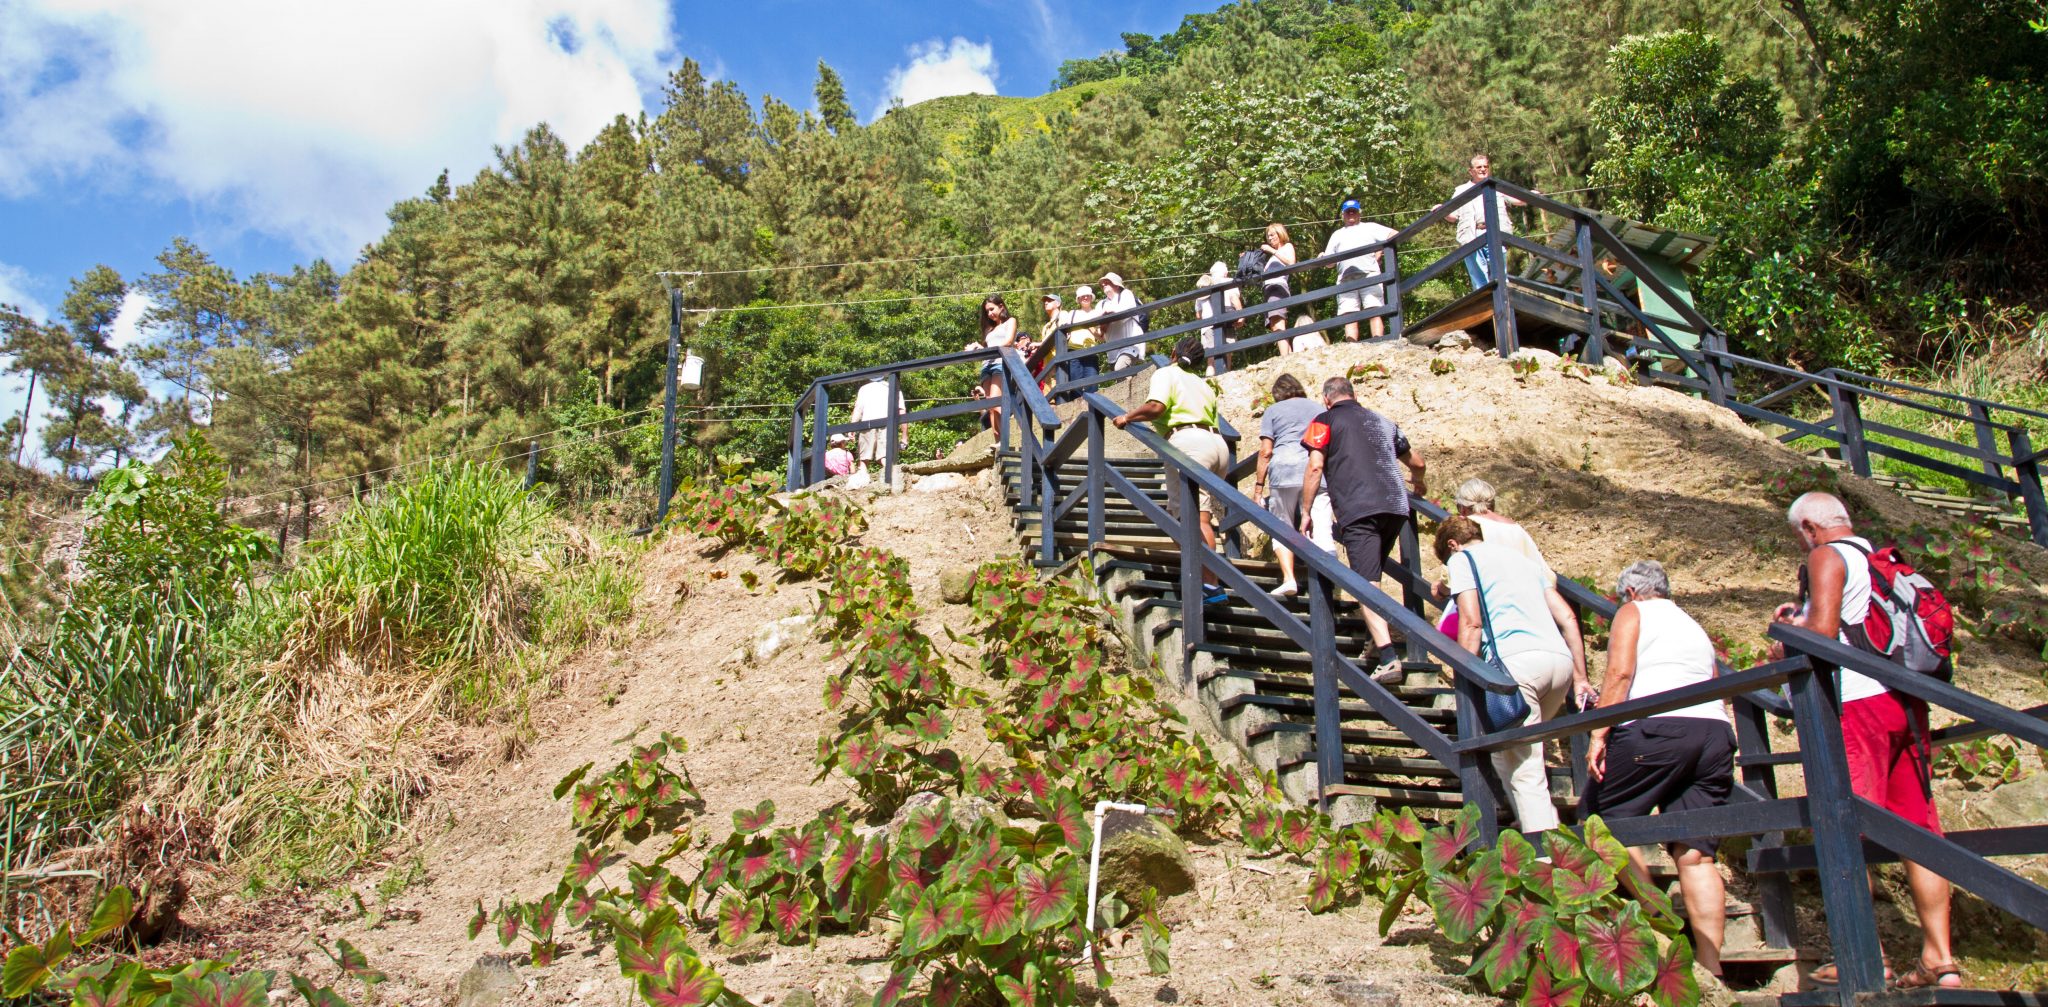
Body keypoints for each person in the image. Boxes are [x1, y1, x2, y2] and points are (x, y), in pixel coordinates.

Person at [1767, 492, 1959, 990]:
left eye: (1799, 535)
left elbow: (1824, 633)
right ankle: (1940, 956)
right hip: (1905, 701)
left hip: (1858, 705)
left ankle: (1864, 954)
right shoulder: (1878, 562)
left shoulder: (1826, 556)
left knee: (1846, 822)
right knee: (1919, 829)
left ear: (1810, 527)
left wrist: (1787, 630)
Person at [1579, 560, 1731, 976]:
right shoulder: (1692, 624)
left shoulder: (1635, 612)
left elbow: (1620, 672)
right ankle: (1710, 966)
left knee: (1600, 823)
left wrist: (1598, 733)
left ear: (1629, 592)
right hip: (1714, 733)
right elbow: (1714, 678)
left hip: (1658, 729)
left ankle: (1659, 919)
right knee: (1696, 853)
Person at [1436, 515, 1590, 834]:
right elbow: (1567, 617)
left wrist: (1463, 677)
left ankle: (1544, 854)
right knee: (1507, 753)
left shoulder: (1462, 559)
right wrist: (1579, 675)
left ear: (1452, 544)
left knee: (1525, 765)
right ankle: (1536, 819)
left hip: (1517, 664)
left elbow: (1471, 622)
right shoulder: (1525, 562)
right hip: (1557, 661)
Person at [1297, 375, 1426, 682]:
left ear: (1327, 399)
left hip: (1358, 508)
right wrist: (1419, 484)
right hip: (1396, 506)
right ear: (1353, 394)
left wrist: (1305, 511)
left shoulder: (1322, 420)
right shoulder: (1384, 422)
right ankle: (1373, 639)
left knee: (1365, 581)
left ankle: (1388, 656)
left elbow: (1315, 466)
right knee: (1373, 570)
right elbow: (1417, 463)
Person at [1114, 335, 1228, 606]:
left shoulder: (1167, 373)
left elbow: (1157, 407)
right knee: (1197, 515)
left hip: (1189, 444)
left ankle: (1209, 584)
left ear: (1173, 353)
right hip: (1217, 445)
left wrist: (1127, 417)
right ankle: (1207, 578)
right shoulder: (1203, 383)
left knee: (1192, 520)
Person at [1254, 374, 1335, 597]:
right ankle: (1327, 581)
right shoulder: (1318, 409)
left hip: (1284, 471)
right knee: (1321, 527)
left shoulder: (1273, 411)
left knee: (1282, 526)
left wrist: (1258, 488)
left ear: (1277, 393)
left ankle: (1289, 579)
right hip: (1314, 471)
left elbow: (1266, 451)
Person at [1445, 153, 1528, 289]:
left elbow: (1517, 200)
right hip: (1472, 235)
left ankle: (1503, 300)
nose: (1483, 169)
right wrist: (1441, 210)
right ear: (1471, 171)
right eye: (1479, 167)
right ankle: (1484, 302)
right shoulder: (1461, 190)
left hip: (1495, 232)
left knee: (1500, 273)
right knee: (1478, 277)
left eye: (1486, 166)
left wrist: (1530, 195)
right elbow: (1452, 216)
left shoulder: (1495, 186)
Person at [1321, 199, 1398, 341]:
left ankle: (1378, 343)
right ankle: (1352, 349)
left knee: (1374, 310)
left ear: (1359, 213)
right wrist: (1323, 258)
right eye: (1348, 211)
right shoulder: (1337, 234)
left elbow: (1394, 234)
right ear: (1343, 215)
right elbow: (1330, 263)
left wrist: (1381, 249)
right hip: (1345, 279)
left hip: (1369, 275)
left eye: (1354, 210)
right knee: (1349, 316)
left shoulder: (1370, 227)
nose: (1351, 213)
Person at [964, 295, 1018, 433]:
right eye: (987, 311)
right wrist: (977, 348)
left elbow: (1008, 342)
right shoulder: (989, 329)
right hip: (986, 365)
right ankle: (998, 443)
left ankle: (1011, 432)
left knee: (995, 403)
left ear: (1001, 306)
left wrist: (987, 350)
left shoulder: (1010, 321)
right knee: (990, 408)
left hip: (1000, 363)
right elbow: (988, 348)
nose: (989, 314)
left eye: (992, 309)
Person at [846, 375, 905, 472]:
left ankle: (862, 478)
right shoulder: (894, 388)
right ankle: (891, 476)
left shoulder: (864, 389)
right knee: (884, 457)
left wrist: (852, 428)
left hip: (868, 424)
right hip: (887, 424)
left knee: (864, 458)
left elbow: (858, 409)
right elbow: (902, 410)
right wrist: (904, 435)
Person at [1194, 262, 1242, 376]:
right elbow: (1236, 302)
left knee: (1211, 359)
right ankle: (1226, 377)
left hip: (1208, 325)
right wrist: (1241, 318)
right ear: (1225, 272)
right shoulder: (1229, 282)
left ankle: (1210, 381)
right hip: (1227, 322)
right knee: (1228, 353)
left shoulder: (1203, 286)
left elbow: (1198, 315)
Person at [1259, 224, 1298, 349]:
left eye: (1272, 235)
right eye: (1268, 236)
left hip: (1277, 288)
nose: (1269, 238)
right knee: (1274, 326)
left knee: (1278, 323)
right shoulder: (1271, 258)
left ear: (1280, 234)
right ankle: (1288, 357)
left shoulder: (1287, 247)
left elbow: (1291, 263)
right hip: (1268, 290)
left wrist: (1273, 251)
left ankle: (1285, 357)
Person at [1097, 272, 1146, 371]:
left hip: (1130, 345)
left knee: (1120, 368)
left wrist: (1107, 317)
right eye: (1102, 283)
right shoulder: (1100, 304)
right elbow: (1099, 330)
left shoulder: (1126, 294)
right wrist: (1106, 320)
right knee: (1120, 380)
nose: (1103, 284)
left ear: (1116, 284)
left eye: (1106, 282)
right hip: (1112, 351)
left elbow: (1123, 315)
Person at [1065, 285, 1105, 391]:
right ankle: (1076, 407)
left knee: (1092, 384)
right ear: (1078, 299)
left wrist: (1092, 330)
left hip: (1091, 351)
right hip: (1073, 351)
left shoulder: (1097, 314)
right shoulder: (1072, 314)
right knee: (1075, 383)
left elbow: (1102, 338)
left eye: (1088, 296)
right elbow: (1065, 332)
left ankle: (1092, 407)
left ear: (1091, 298)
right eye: (1082, 296)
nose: (1085, 298)